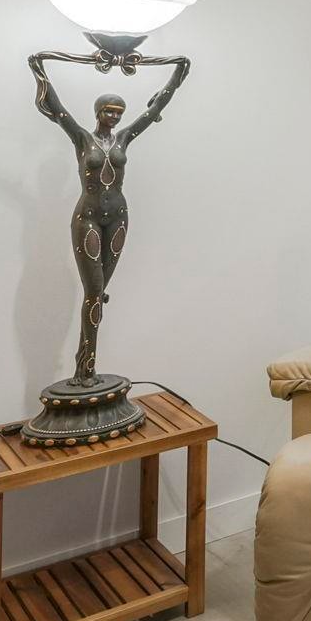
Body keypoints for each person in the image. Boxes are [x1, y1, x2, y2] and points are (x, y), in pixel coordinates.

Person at [27, 51, 190, 385]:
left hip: (118, 217)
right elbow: (58, 110)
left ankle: (86, 361)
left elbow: (156, 109)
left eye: (118, 112)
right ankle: (84, 365)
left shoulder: (125, 137)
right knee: (94, 290)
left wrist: (179, 72)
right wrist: (39, 68)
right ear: (98, 112)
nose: (114, 117)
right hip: (87, 217)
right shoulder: (82, 138)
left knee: (100, 293)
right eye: (109, 111)